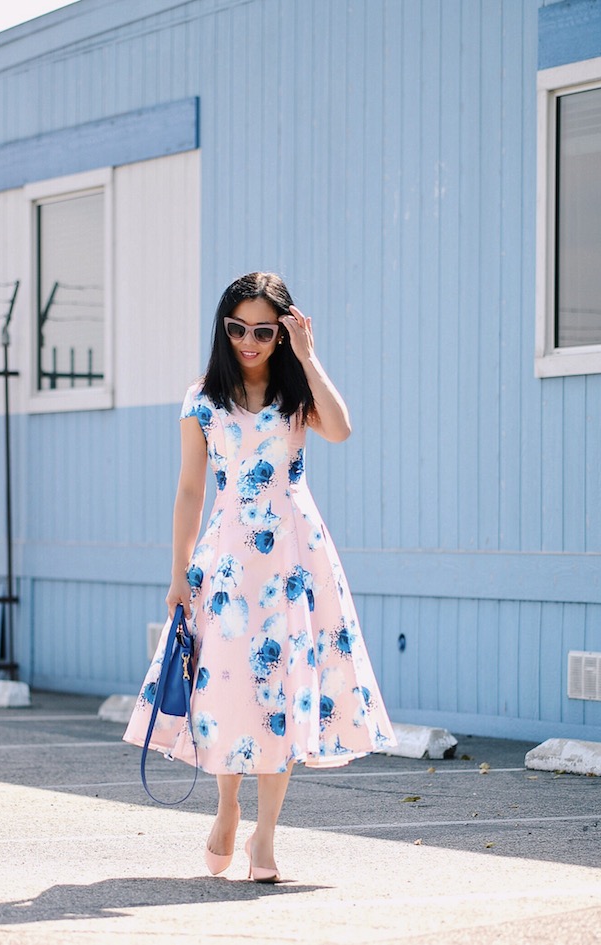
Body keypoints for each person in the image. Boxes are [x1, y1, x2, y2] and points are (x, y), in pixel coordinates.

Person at [124, 272, 395, 882]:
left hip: (294, 558)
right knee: (227, 687)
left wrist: (308, 355)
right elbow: (190, 489)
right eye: (238, 328)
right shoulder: (201, 398)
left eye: (263, 331)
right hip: (225, 559)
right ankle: (226, 809)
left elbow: (342, 428)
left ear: (282, 332)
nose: (249, 341)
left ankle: (265, 837)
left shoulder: (298, 389)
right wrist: (177, 574)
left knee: (286, 691)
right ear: (224, 328)